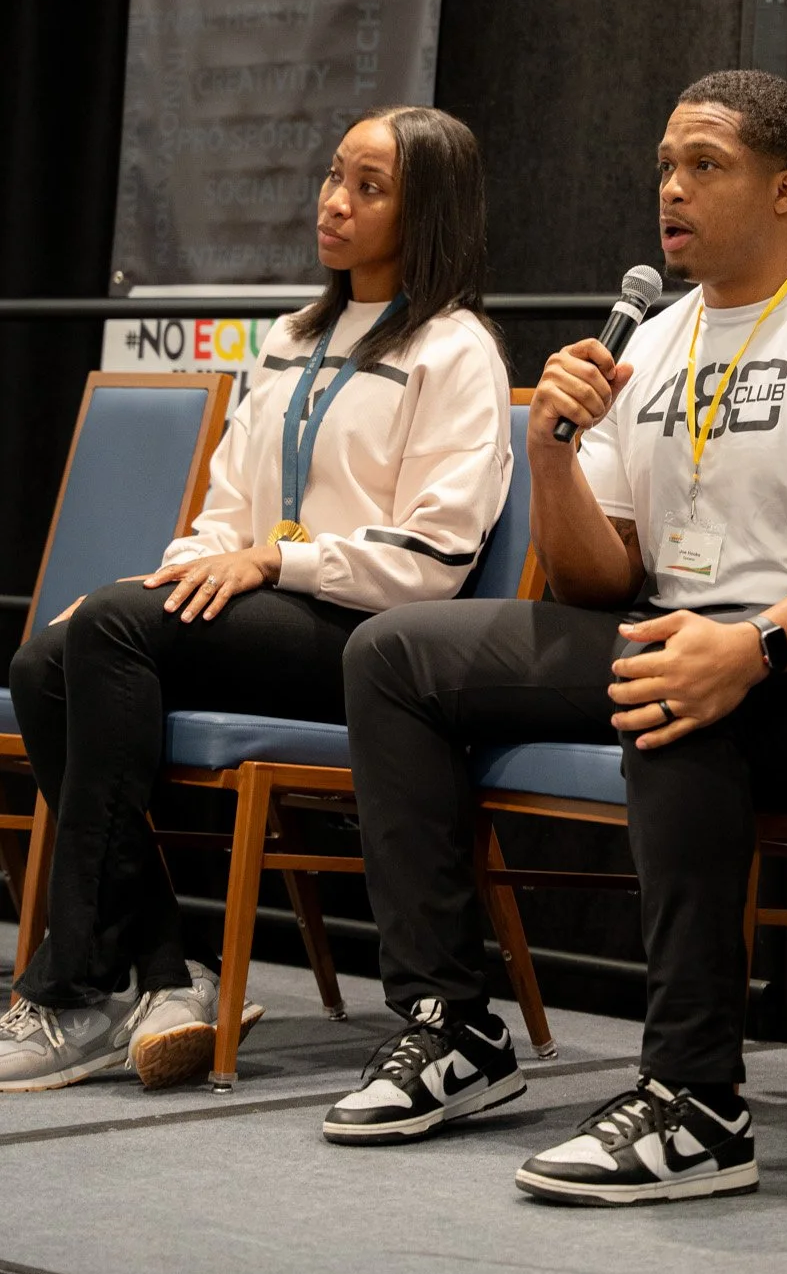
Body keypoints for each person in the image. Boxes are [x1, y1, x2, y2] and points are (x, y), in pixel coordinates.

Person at [325, 69, 787, 1205]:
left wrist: (755, 647)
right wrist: (555, 451)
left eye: (704, 166)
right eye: (665, 165)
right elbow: (597, 575)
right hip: (675, 634)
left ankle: (699, 1100)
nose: (671, 188)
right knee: (397, 656)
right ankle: (452, 1025)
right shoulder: (655, 340)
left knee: (671, 682)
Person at [0, 106, 511, 1094]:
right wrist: (159, 577)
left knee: (106, 630)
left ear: (428, 209)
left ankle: (75, 983)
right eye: (333, 174)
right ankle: (160, 971)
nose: (333, 200)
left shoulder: (458, 349)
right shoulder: (294, 334)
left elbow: (436, 552)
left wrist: (283, 563)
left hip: (370, 641)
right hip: (272, 609)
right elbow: (227, 508)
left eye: (369, 186)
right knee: (42, 658)